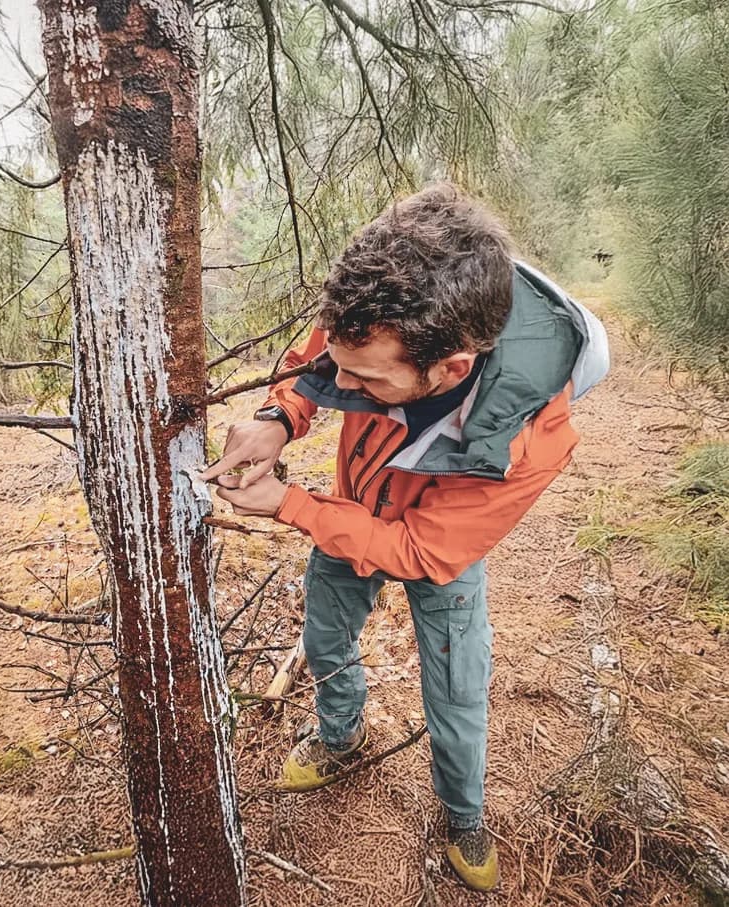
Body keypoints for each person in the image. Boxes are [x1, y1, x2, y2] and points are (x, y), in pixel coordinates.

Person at [200, 183, 609, 892]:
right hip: (351, 508)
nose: (343, 381)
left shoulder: (529, 440)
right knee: (325, 638)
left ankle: (462, 813)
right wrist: (280, 413)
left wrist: (290, 503)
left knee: (455, 688)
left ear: (450, 368)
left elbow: (423, 550)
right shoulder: (380, 319)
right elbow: (321, 356)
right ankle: (342, 736)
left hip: (438, 551)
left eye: (366, 378)